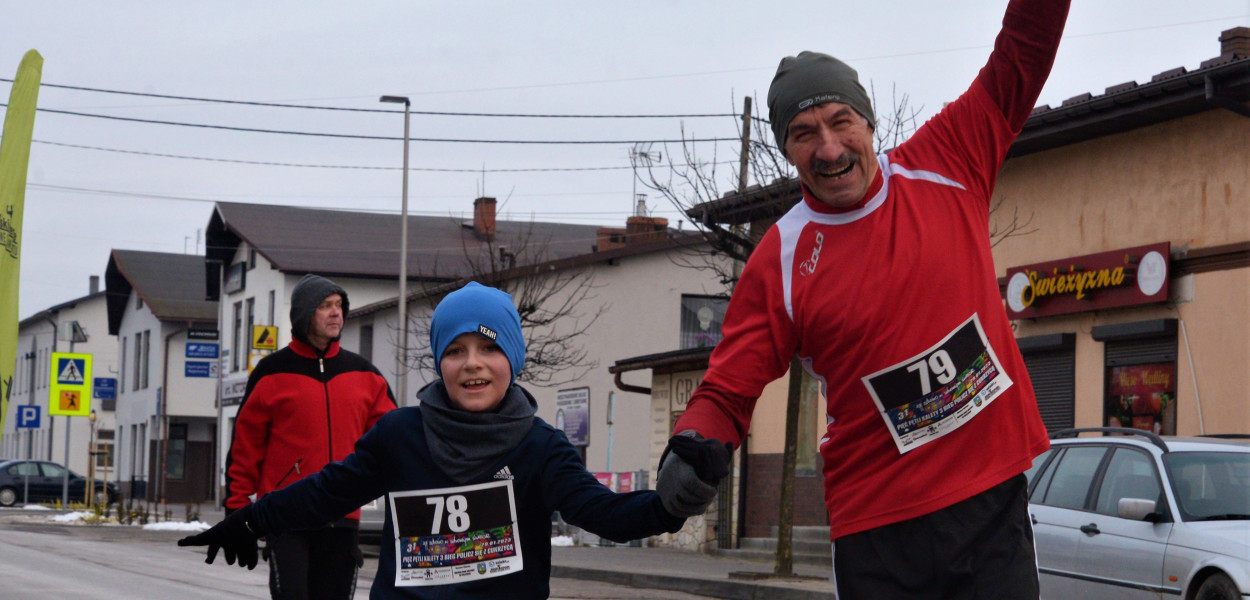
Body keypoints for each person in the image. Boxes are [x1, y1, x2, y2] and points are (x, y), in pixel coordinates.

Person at [654, 1, 1071, 598]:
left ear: (869, 122)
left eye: (841, 120)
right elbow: (729, 386)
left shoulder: (950, 159)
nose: (829, 148)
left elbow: (1024, 50)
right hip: (877, 525)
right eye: (804, 134)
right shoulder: (782, 257)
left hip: (989, 504)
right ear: (787, 151)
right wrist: (693, 446)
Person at [181, 282, 701, 600]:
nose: (472, 363)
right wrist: (246, 520)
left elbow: (602, 512)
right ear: (440, 363)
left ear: (512, 360)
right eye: (455, 350)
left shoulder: (541, 449)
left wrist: (668, 506)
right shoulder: (400, 436)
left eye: (488, 348)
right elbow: (324, 493)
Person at [223, 273, 397, 600]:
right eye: (325, 306)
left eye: (339, 306)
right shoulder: (271, 374)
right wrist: (236, 510)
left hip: (342, 518)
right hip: (287, 516)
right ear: (304, 315)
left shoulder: (365, 376)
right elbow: (245, 448)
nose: (336, 313)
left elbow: (394, 441)